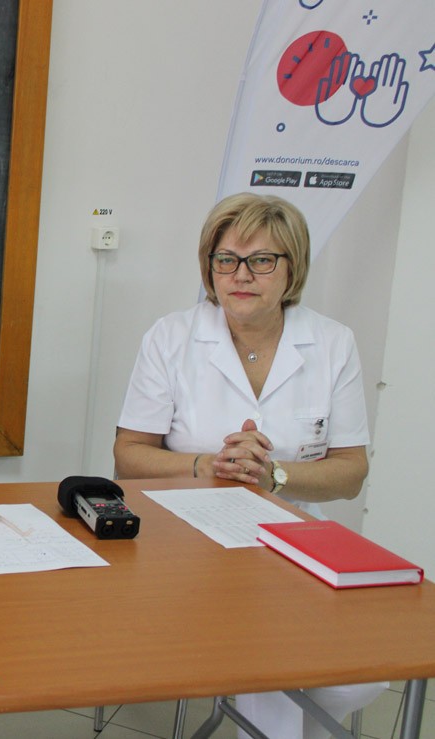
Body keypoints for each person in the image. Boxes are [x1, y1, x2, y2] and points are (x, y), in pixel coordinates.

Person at [114, 192, 383, 739]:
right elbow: (128, 457)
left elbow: (351, 471)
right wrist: (208, 465)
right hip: (185, 536)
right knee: (272, 644)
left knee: (368, 671)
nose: (240, 275)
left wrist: (273, 476)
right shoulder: (172, 336)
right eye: (226, 259)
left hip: (297, 536)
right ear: (209, 267)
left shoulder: (332, 343)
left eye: (261, 260)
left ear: (292, 268)